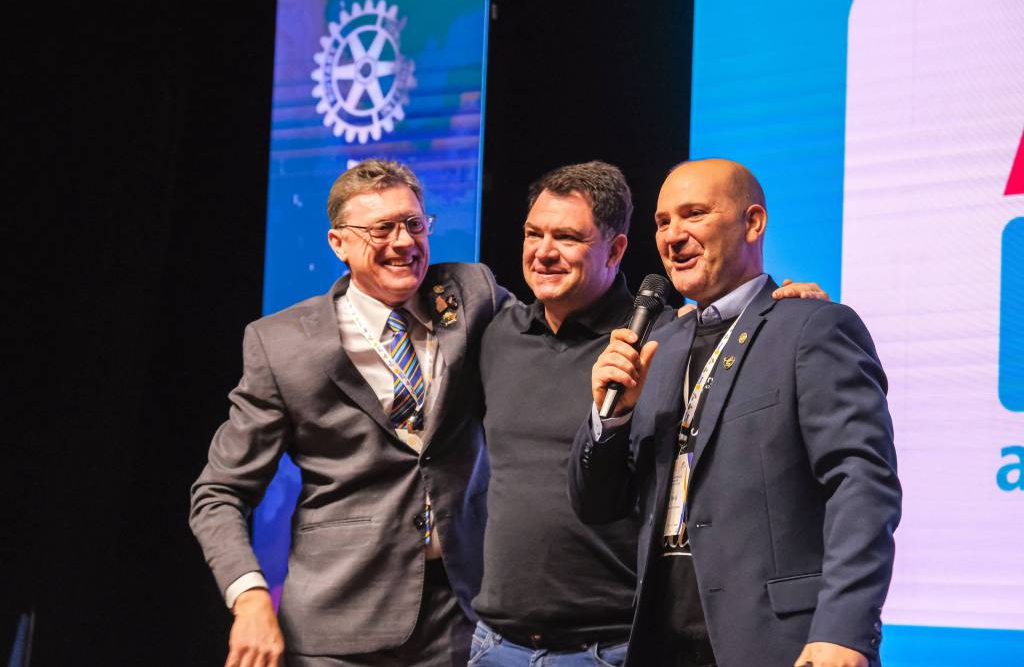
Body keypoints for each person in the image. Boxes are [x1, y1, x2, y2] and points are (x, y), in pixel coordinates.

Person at [470, 161, 830, 666]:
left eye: (567, 237)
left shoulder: (666, 337)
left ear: (616, 250)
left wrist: (791, 307)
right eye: (534, 234)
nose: (544, 251)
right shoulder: (494, 332)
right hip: (493, 644)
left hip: (613, 645)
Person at [569, 158, 901, 667]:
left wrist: (845, 629)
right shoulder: (658, 346)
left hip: (781, 644)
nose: (673, 235)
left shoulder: (810, 327)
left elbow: (862, 484)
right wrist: (608, 418)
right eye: (662, 222)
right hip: (662, 644)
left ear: (753, 223)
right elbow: (598, 506)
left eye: (694, 214)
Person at [189, 159, 509, 667]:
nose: (404, 242)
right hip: (337, 627)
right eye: (382, 229)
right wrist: (249, 599)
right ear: (338, 243)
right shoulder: (282, 345)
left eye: (414, 223)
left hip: (462, 618)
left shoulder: (471, 293)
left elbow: (544, 343)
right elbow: (219, 493)